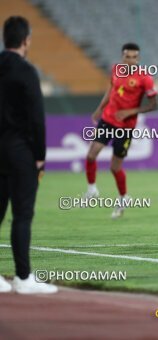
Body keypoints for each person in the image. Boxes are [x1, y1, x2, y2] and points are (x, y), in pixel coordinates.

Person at [0, 16, 57, 293]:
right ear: (26, 40)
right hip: (20, 151)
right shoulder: (26, 71)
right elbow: (37, 118)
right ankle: (23, 278)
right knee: (22, 214)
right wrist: (40, 155)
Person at [85, 43, 158, 218]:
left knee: (114, 167)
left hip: (125, 126)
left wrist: (130, 111)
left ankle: (123, 197)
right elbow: (110, 90)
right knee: (91, 155)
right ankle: (92, 189)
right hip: (108, 119)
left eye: (134, 57)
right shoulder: (116, 69)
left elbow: (154, 104)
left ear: (138, 59)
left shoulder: (145, 78)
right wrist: (99, 108)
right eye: (127, 57)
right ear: (122, 57)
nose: (130, 60)